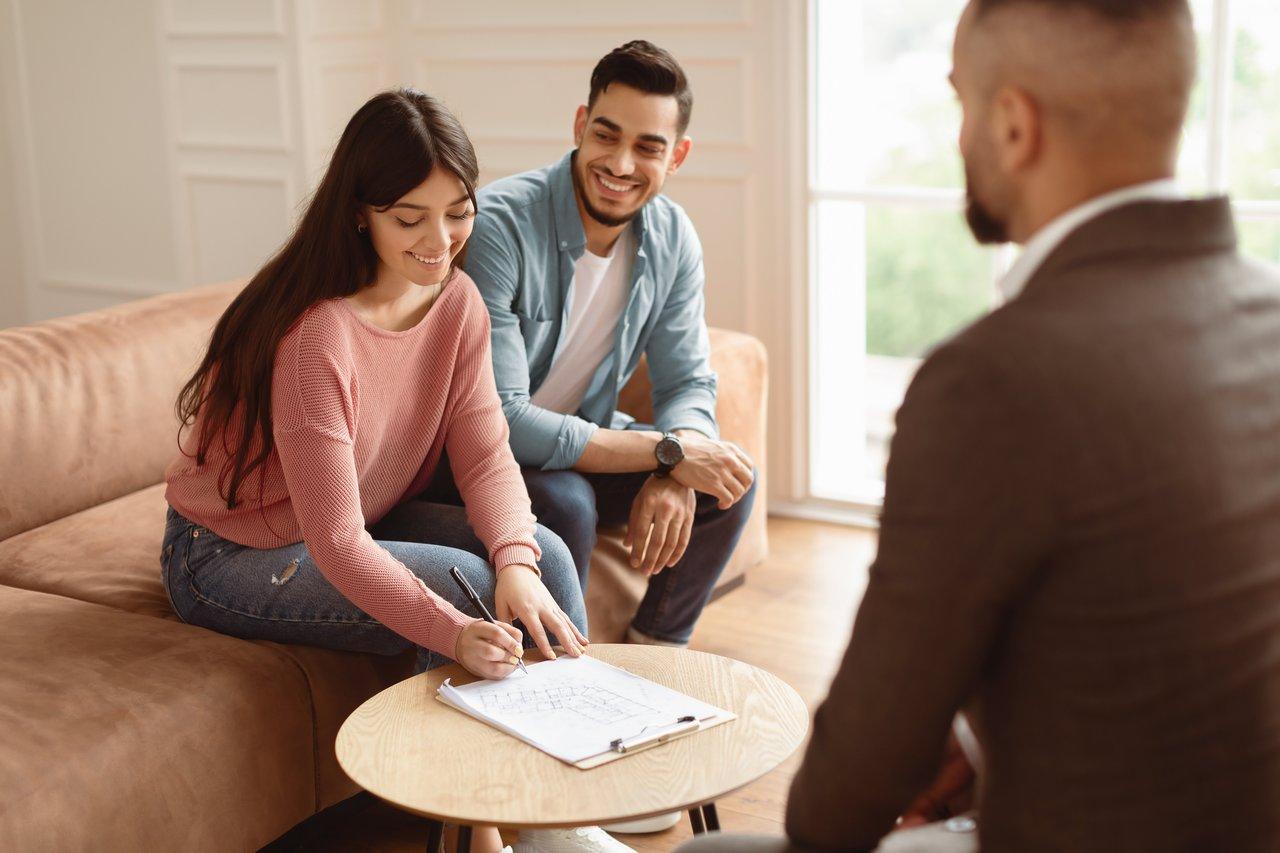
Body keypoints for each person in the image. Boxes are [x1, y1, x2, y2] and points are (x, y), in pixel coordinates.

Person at [684, 0, 1280, 851]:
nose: (958, 135)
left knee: (711, 848)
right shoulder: (1267, 312)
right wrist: (976, 743)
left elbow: (836, 808)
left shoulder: (995, 379)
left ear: (1012, 125)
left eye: (961, 102)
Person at [161, 89, 591, 853]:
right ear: (361, 212)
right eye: (410, 217)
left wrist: (517, 560)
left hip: (358, 514)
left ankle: (565, 806)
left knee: (544, 555)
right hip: (230, 554)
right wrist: (456, 632)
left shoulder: (456, 302)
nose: (442, 239)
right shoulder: (315, 338)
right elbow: (335, 541)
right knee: (466, 589)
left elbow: (487, 451)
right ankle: (479, 832)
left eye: (458, 210)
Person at [462, 40, 758, 664]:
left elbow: (687, 384)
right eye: (606, 135)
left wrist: (676, 466)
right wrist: (666, 451)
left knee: (730, 480)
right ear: (579, 125)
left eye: (648, 147)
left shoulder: (673, 237)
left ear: (676, 156)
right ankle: (563, 683)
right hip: (481, 457)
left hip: (583, 444)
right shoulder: (500, 224)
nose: (621, 163)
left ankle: (654, 652)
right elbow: (505, 419)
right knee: (569, 500)